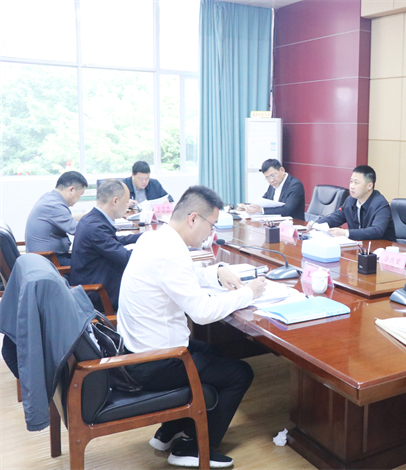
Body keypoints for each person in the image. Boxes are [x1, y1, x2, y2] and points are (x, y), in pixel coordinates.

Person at [118, 185, 266, 468]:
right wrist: (249, 293)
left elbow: (184, 276)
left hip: (137, 351)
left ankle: (169, 431)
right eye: (211, 225)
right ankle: (194, 447)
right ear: (193, 218)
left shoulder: (156, 238)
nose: (211, 233)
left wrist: (217, 272)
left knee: (212, 351)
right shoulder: (170, 253)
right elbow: (202, 312)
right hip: (155, 363)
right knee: (240, 373)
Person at [70, 179, 142, 313]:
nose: (128, 206)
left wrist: (142, 237)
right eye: (126, 201)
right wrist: (153, 250)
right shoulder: (96, 227)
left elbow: (112, 241)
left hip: (97, 280)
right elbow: (126, 258)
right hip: (99, 294)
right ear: (115, 201)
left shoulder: (92, 218)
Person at [306, 165, 396, 241]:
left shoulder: (380, 204)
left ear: (369, 186)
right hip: (358, 247)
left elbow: (377, 231)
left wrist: (345, 233)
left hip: (380, 250)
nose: (352, 186)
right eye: (351, 181)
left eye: (356, 183)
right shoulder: (350, 200)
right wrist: (316, 224)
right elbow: (335, 218)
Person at [25, 171, 88, 266]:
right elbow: (79, 230)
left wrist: (89, 215)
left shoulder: (49, 198)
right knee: (94, 265)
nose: (79, 198)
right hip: (49, 260)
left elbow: (68, 218)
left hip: (44, 257)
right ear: (71, 190)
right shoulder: (55, 205)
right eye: (80, 194)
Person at [237, 159, 305, 220]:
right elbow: (263, 201)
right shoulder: (273, 185)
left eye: (273, 175)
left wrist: (261, 210)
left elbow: (287, 210)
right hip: (274, 223)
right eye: (267, 178)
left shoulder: (295, 185)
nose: (271, 180)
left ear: (282, 170)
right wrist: (247, 207)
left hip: (293, 224)